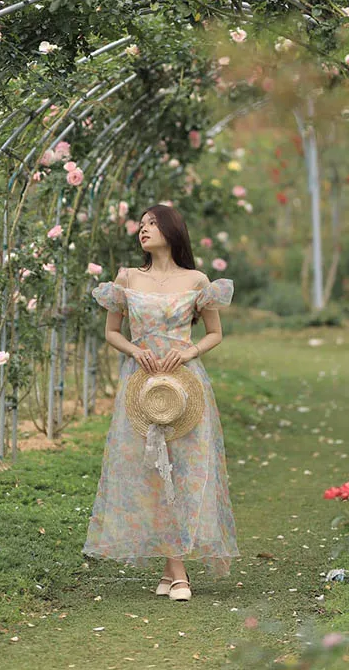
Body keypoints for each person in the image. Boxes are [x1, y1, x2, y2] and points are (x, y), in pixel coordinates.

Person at [82, 203, 240, 599]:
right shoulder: (128, 277)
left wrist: (189, 352)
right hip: (143, 384)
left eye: (152, 223)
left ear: (172, 230)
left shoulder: (196, 279)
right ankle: (177, 571)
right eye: (141, 225)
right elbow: (112, 332)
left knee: (187, 469)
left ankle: (174, 571)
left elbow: (214, 333)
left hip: (186, 386)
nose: (143, 229)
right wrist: (135, 352)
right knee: (151, 470)